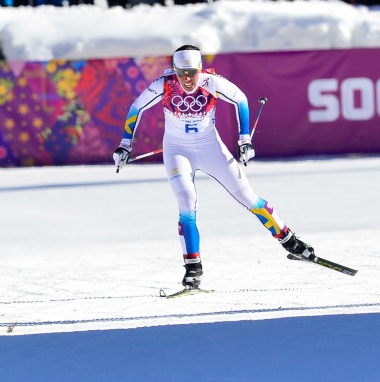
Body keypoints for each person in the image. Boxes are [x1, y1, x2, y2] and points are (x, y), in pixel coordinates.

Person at [112, 45, 315, 289]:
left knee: (248, 197)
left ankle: (290, 241)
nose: (187, 79)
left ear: (200, 69)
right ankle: (192, 268)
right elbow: (136, 107)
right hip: (178, 150)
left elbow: (240, 99)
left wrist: (244, 140)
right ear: (174, 70)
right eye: (181, 73)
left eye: (192, 72)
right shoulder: (164, 84)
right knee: (186, 200)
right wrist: (125, 144)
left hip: (211, 149)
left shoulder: (212, 81)